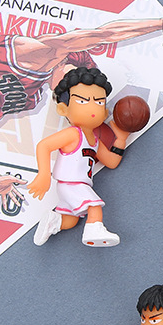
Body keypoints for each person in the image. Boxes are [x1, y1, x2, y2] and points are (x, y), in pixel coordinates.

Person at [0, 18, 163, 215]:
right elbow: (102, 33)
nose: (67, 92)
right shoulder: (38, 51)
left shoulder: (28, 96)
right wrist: (160, 24)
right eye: (70, 84)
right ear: (64, 61)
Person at [28, 66, 129, 247]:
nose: (93, 107)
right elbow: (44, 146)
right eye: (82, 101)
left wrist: (121, 140)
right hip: (71, 184)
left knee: (72, 220)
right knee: (94, 206)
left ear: (105, 112)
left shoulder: (95, 141)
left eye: (99, 102)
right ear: (63, 109)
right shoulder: (74, 134)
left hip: (76, 186)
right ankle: (94, 230)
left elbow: (112, 162)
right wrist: (44, 175)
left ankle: (54, 221)